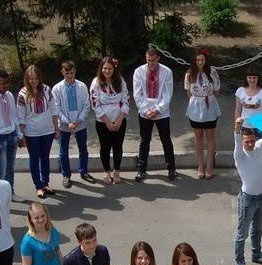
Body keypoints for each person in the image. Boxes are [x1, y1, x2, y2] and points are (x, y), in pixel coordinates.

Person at [232, 117, 262, 265]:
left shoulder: (258, 147)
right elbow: (237, 140)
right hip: (247, 200)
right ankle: (239, 261)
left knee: (258, 229)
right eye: (247, 142)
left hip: (261, 197)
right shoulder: (239, 155)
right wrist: (237, 127)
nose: (250, 144)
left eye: (252, 141)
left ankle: (256, 254)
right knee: (242, 233)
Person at [133, 47, 176, 182]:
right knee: (144, 140)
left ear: (158, 58)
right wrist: (146, 110)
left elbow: (167, 93)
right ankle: (141, 169)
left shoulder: (166, 71)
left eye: (153, 60)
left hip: (162, 113)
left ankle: (171, 168)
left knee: (166, 140)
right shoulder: (139, 71)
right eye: (148, 60)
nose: (150, 63)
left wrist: (158, 109)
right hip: (145, 112)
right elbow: (137, 94)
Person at [17, 65, 59, 199]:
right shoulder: (22, 94)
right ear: (27, 79)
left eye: (36, 78)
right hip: (32, 133)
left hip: (47, 130)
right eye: (31, 79)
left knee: (45, 158)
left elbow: (53, 110)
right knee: (34, 159)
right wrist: (21, 135)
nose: (34, 81)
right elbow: (21, 117)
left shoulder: (47, 90)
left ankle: (45, 183)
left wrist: (56, 128)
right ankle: (38, 186)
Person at [52, 61, 94, 188]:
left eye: (72, 73)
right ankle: (66, 175)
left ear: (75, 71)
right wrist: (67, 122)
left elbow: (86, 104)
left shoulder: (82, 86)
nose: (70, 76)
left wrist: (78, 120)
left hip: (80, 123)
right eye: (67, 73)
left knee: (83, 149)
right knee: (63, 151)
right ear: (62, 72)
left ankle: (84, 171)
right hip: (64, 125)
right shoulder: (57, 88)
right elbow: (56, 108)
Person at [89, 56, 129, 185]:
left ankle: (117, 171)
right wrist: (107, 122)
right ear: (101, 69)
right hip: (103, 122)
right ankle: (107, 171)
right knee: (105, 147)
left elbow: (125, 101)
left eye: (110, 68)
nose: (107, 71)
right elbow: (95, 104)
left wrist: (119, 120)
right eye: (105, 68)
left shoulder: (120, 81)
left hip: (119, 120)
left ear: (114, 69)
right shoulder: (96, 82)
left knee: (118, 147)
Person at [185, 49, 221, 179]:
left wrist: (208, 99)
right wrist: (197, 101)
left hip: (209, 105)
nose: (200, 62)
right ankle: (201, 164)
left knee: (210, 136)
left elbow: (217, 90)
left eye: (202, 60)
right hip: (195, 106)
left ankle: (210, 165)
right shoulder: (190, 73)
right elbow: (188, 91)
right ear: (194, 61)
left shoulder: (212, 72)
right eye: (198, 60)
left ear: (206, 60)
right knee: (198, 136)